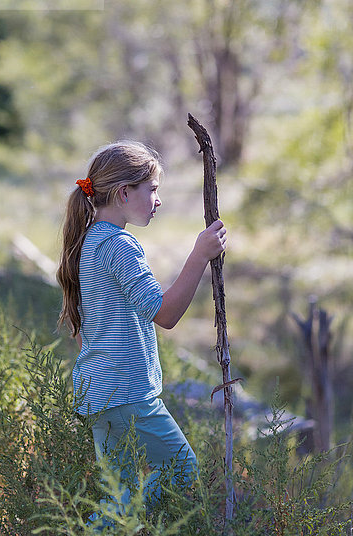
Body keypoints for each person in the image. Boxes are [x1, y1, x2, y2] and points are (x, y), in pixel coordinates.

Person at [56, 140, 227, 522]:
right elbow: (164, 314)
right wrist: (200, 255)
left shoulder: (89, 242)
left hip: (99, 394)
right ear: (123, 193)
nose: (158, 199)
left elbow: (88, 331)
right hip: (128, 393)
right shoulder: (118, 245)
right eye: (152, 190)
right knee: (183, 472)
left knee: (123, 501)